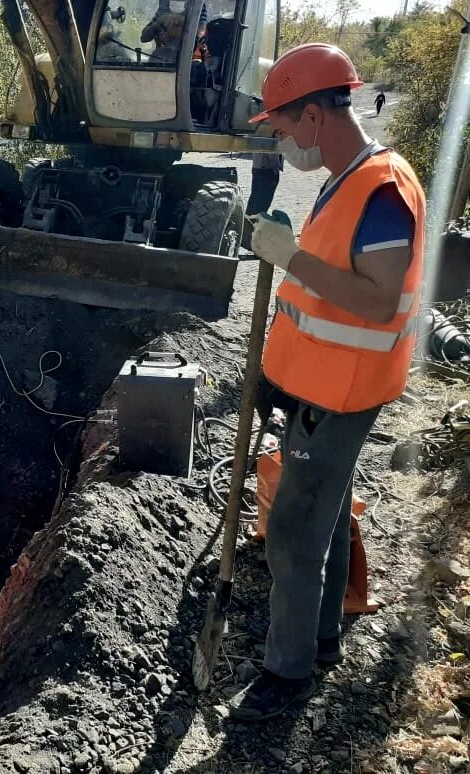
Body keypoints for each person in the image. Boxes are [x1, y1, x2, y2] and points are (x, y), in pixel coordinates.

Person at [231, 43, 424, 721]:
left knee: (293, 530)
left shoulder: (382, 189)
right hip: (320, 385)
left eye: (284, 129)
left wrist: (292, 259)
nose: (284, 144)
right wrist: (281, 376)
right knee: (328, 513)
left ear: (314, 116)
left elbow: (377, 301)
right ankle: (321, 638)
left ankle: (286, 676)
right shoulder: (346, 179)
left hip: (343, 392)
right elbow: (323, 297)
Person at [242, 152, 285, 249]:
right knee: (261, 205)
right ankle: (253, 239)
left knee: (254, 202)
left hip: (259, 166)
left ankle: (247, 234)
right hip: (267, 167)